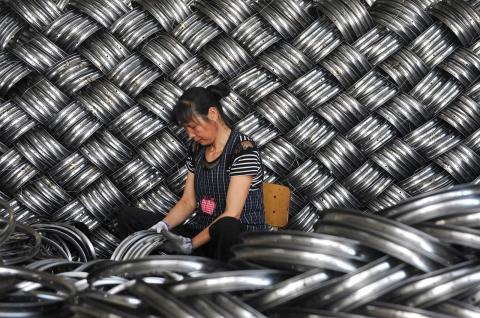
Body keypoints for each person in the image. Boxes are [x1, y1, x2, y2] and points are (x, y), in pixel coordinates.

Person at [117, 84, 267, 261]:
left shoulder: (243, 149)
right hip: (202, 236)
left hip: (237, 241)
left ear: (213, 114)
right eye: (186, 129)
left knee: (227, 225)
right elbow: (188, 201)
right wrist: (161, 227)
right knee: (128, 217)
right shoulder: (197, 149)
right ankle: (154, 275)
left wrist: (191, 244)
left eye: (194, 127)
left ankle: (220, 282)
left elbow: (232, 213)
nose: (191, 135)